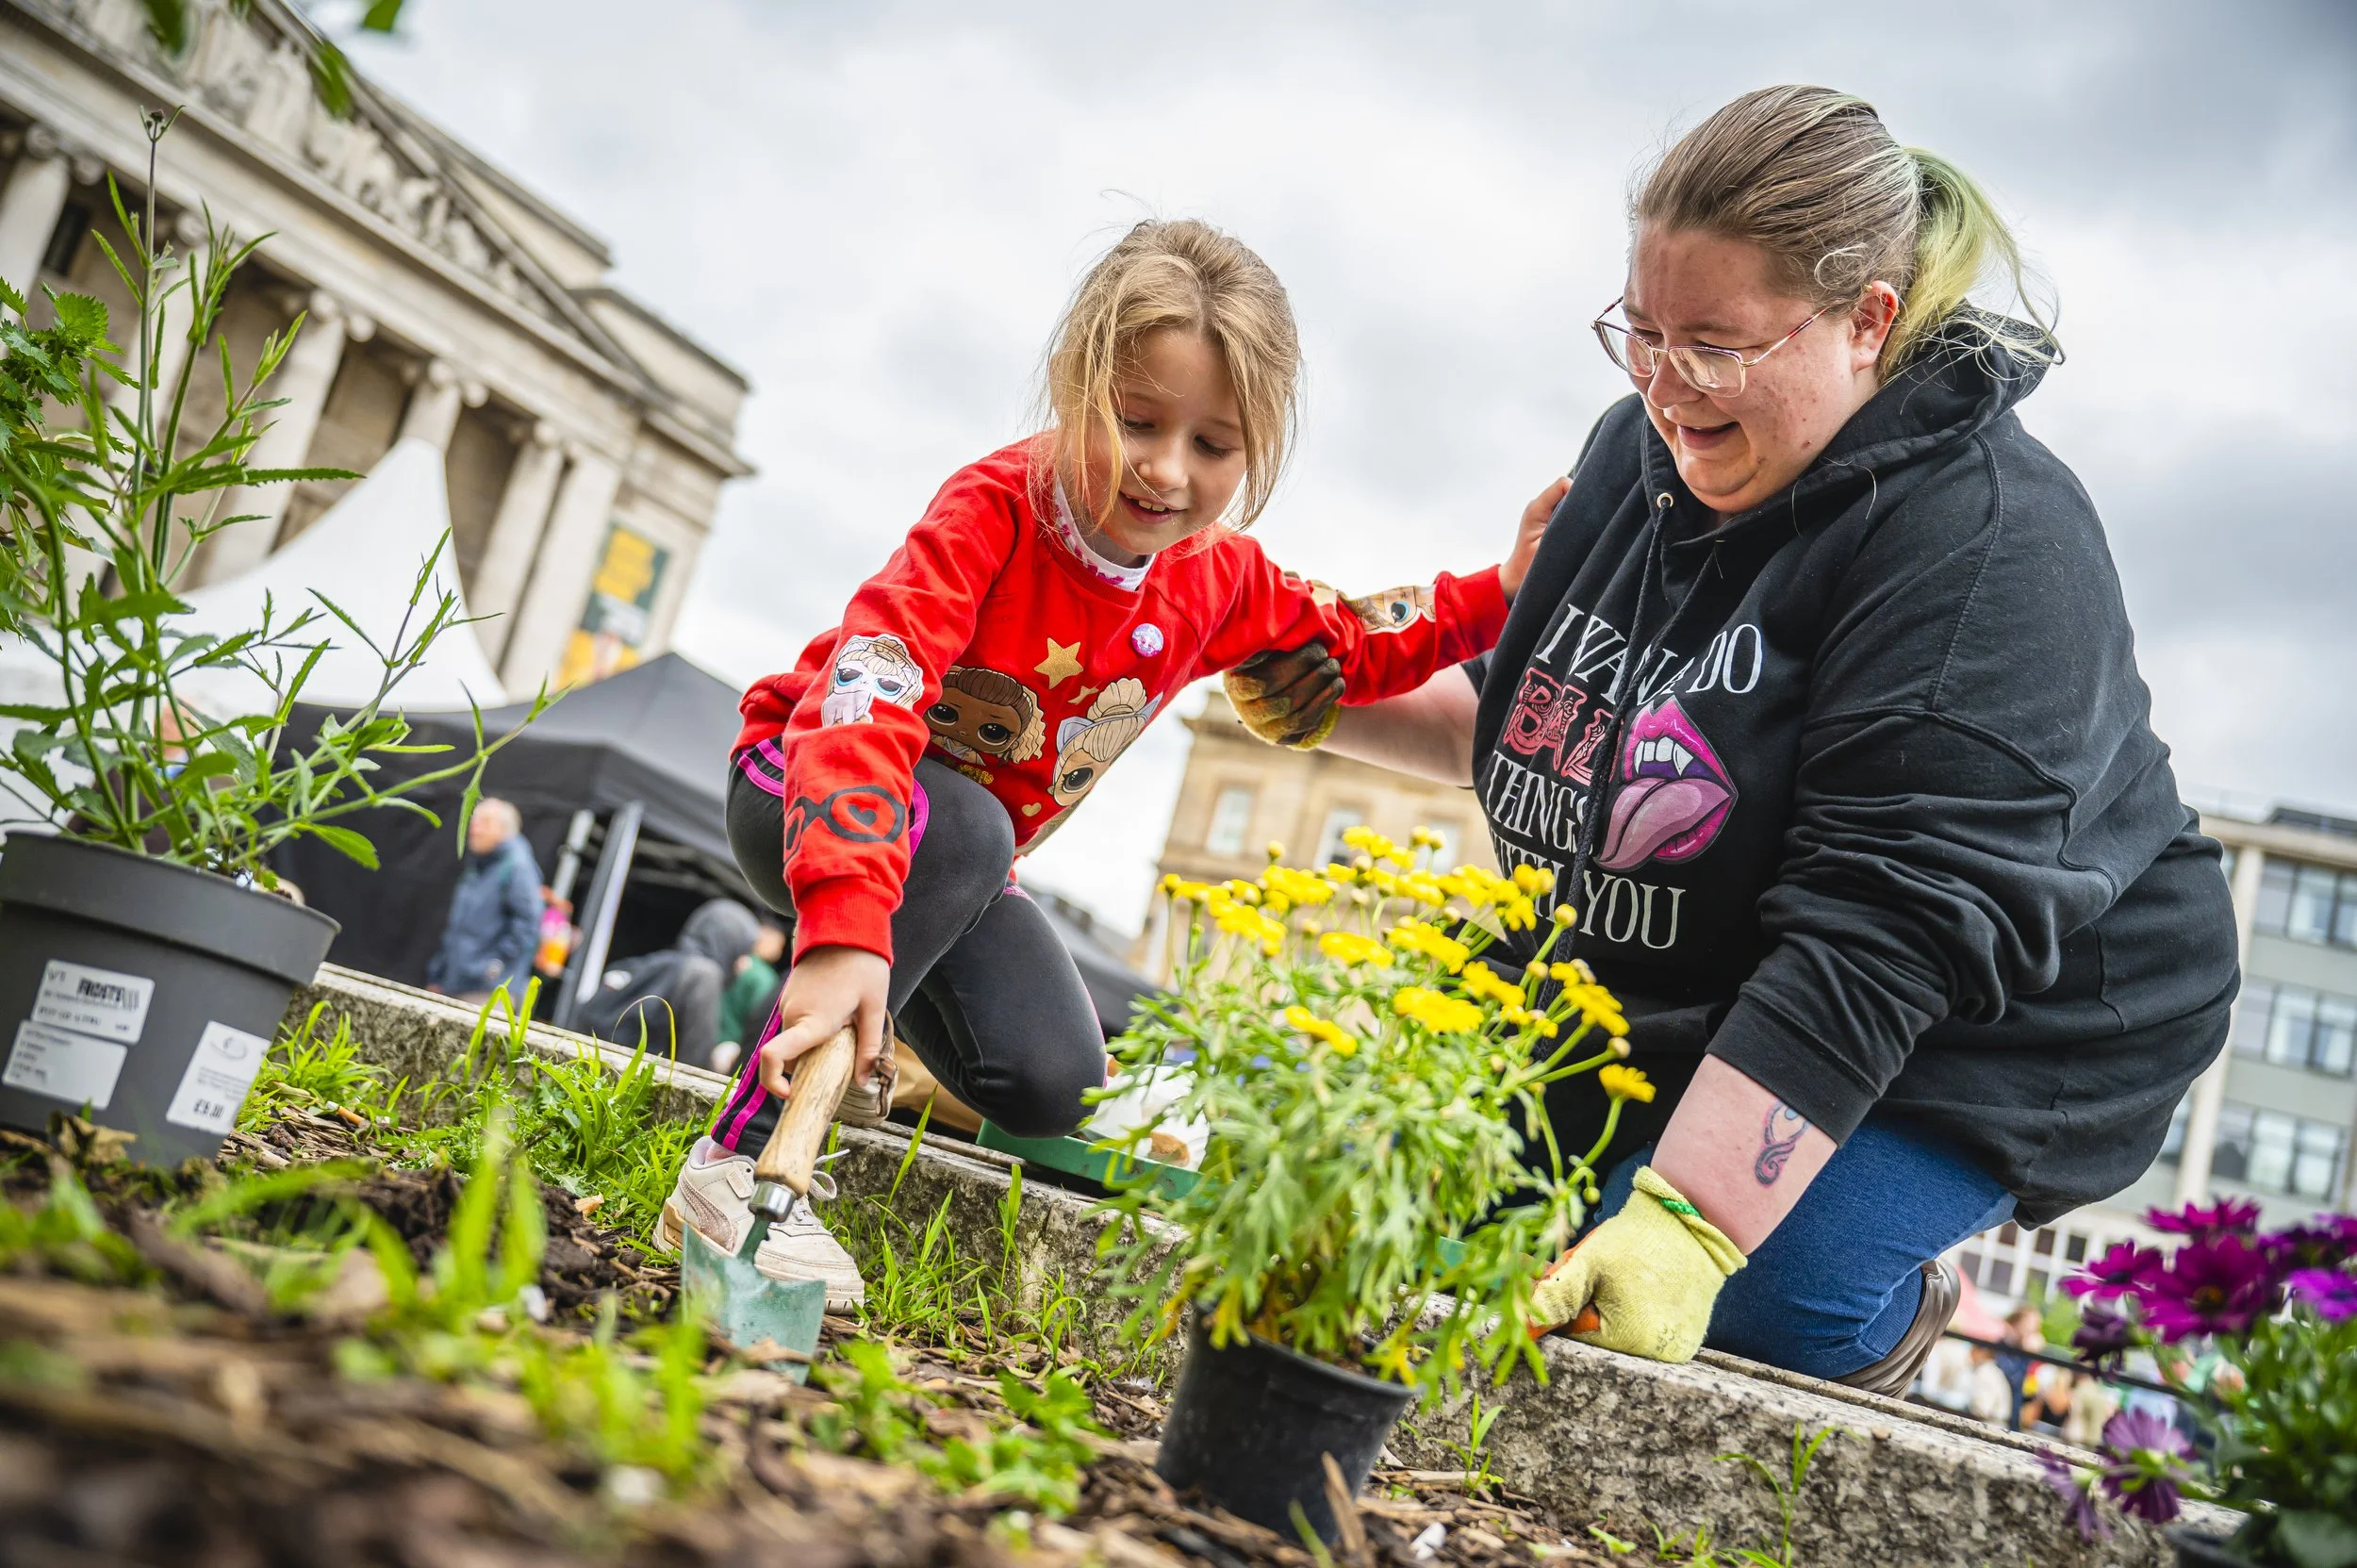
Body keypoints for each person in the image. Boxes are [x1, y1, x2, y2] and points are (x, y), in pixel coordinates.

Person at [1227, 86, 2238, 1393]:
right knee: (1390, 1202)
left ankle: (1881, 1293)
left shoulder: (1988, 546)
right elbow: (1558, 712)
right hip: (1710, 949)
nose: (1662, 388)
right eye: (1639, 333)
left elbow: (1889, 921)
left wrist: (1695, 1216)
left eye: (1713, 343)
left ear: (1869, 320)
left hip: (1979, 1013)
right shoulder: (1644, 450)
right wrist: (1326, 694)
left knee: (1738, 1301)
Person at [660, 218, 1531, 1309]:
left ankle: (892, 1062)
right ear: (1077, 386)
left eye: (1213, 446)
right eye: (1135, 422)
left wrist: (1504, 587)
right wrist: (843, 930)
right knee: (966, 823)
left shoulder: (1216, 576)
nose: (1166, 471)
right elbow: (868, 691)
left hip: (960, 868)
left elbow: (1354, 646)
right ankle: (736, 1166)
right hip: (810, 789)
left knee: (1051, 1081)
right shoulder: (991, 511)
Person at [577, 899, 763, 1069]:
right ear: (727, 943)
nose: (745, 964)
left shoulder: (659, 963)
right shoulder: (703, 976)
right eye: (743, 951)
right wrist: (719, 1063)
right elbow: (694, 1067)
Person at [423, 799, 542, 1006]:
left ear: (505, 830)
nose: (474, 829)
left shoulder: (516, 867)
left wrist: (493, 967)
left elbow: (528, 925)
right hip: (455, 985)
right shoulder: (479, 866)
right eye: (474, 822)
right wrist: (439, 976)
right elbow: (458, 928)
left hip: (487, 992)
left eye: (484, 823)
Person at [711, 921, 788, 1076]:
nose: (779, 952)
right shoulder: (763, 977)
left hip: (710, 1039)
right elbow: (762, 1019)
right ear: (763, 938)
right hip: (730, 1050)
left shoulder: (734, 960)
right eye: (778, 945)